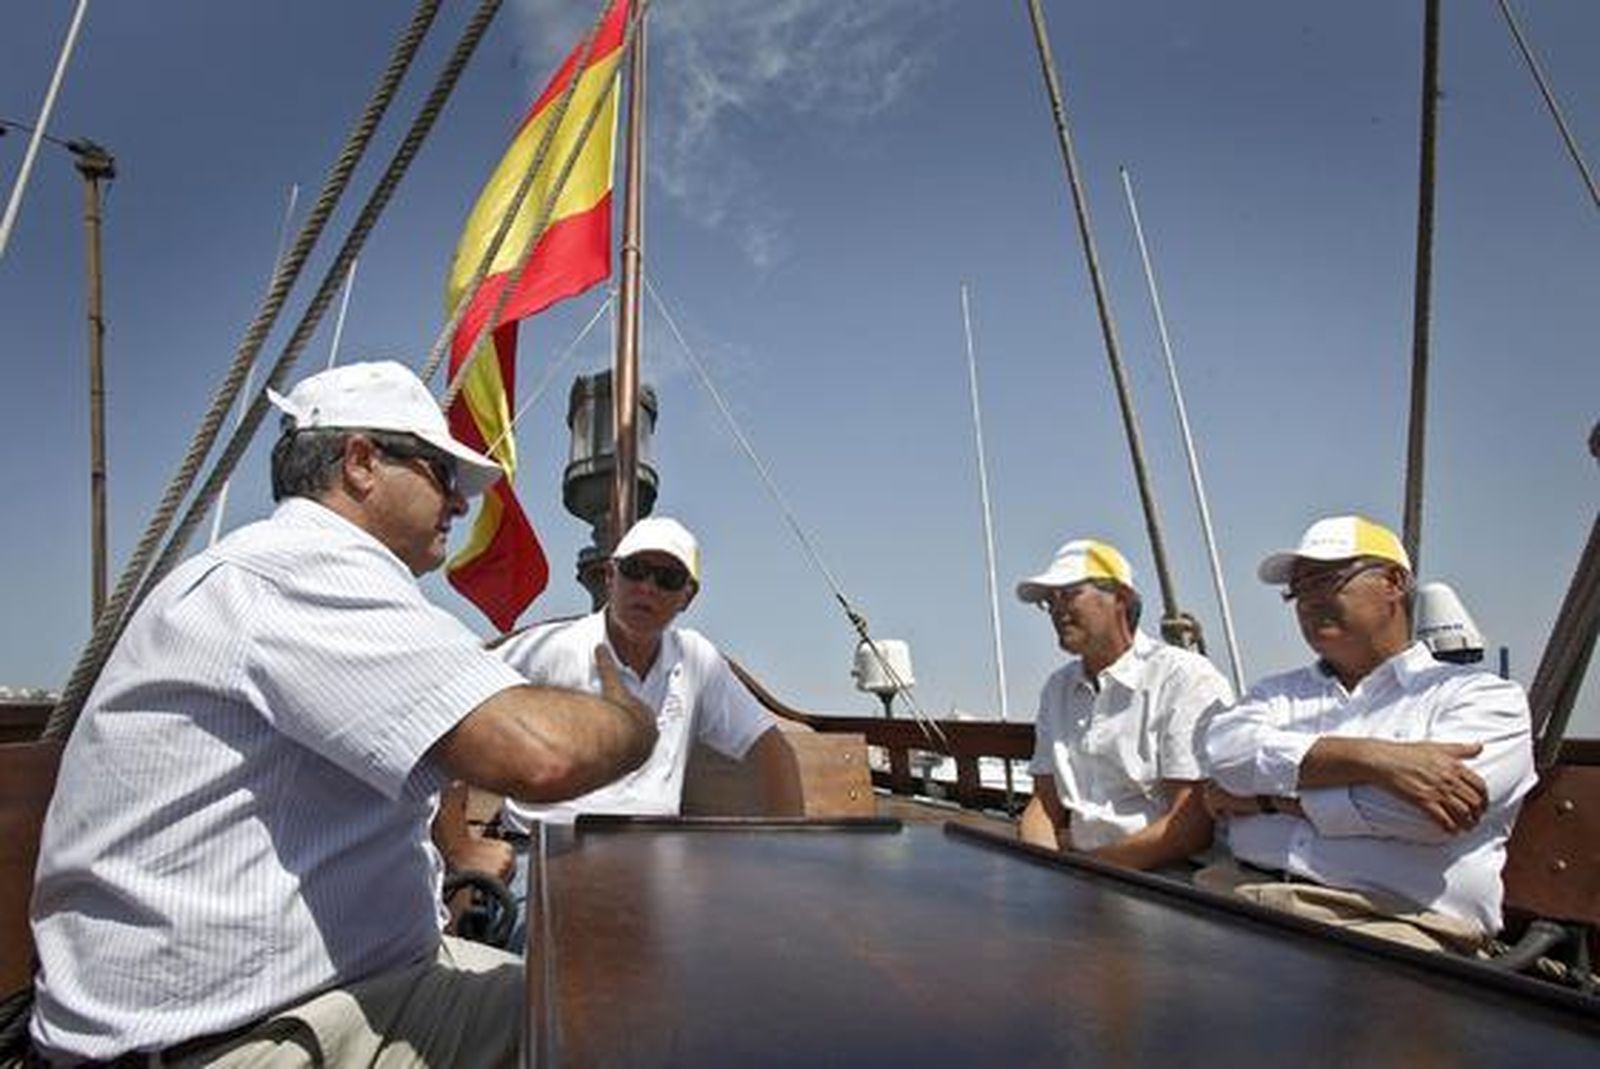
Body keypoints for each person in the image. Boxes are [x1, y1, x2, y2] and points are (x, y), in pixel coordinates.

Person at [28, 361, 658, 1066]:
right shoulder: (303, 571)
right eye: (441, 475)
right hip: (237, 1040)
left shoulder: (268, 571)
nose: (457, 503)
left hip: (289, 998)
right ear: (361, 461)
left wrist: (456, 855)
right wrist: (634, 719)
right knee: (630, 1019)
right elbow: (542, 753)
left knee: (593, 990)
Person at [1200, 515, 1537, 953]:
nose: (1307, 600)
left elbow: (1427, 817)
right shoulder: (1274, 693)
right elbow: (1225, 756)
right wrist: (1373, 760)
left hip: (1391, 925)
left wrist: (1265, 799)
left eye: (1325, 580)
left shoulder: (1487, 699)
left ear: (1394, 582)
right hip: (1236, 892)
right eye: (1298, 589)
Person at [1013, 538, 1234, 872]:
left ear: (1122, 598)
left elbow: (1190, 828)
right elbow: (1045, 803)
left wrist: (1085, 875)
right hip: (1086, 873)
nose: (1057, 609)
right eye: (1050, 601)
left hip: (1170, 877)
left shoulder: (1184, 678)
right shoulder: (1057, 688)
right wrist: (1043, 871)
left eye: (1070, 593)